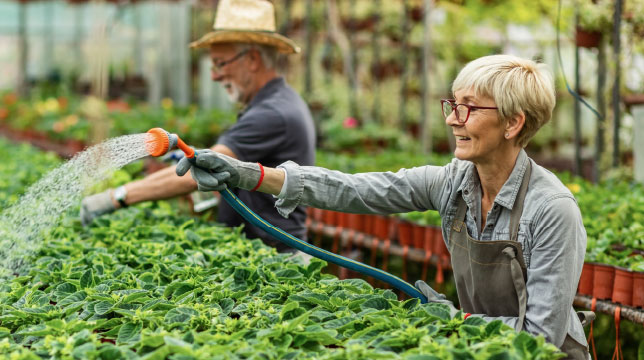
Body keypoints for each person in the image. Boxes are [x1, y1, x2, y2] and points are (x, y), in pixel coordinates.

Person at [176, 54, 591, 359]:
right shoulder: (453, 181)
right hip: (482, 348)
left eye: (469, 107)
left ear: (513, 123)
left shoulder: (552, 210)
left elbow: (540, 338)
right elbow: (357, 190)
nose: (452, 119)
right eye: (452, 104)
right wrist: (247, 174)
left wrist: (454, 321)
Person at [80, 0, 316, 253]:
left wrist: (117, 197)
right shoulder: (274, 102)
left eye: (220, 63)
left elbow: (201, 172)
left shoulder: (272, 113)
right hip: (260, 251)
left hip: (276, 259)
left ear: (252, 59)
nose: (214, 75)